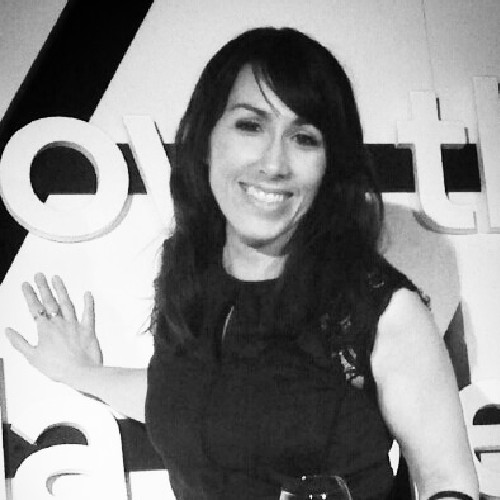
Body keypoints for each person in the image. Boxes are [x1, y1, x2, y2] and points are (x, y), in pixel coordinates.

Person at [5, 27, 478, 500]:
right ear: (206, 140)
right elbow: (196, 397)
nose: (274, 163)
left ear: (330, 164)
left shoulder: (379, 311)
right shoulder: (190, 275)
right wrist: (84, 372)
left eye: (304, 138)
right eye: (250, 126)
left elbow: (447, 483)